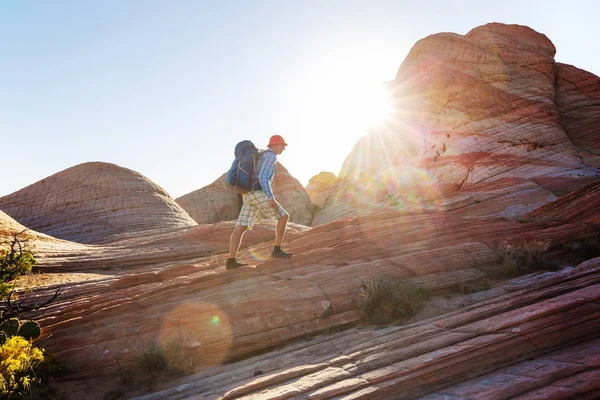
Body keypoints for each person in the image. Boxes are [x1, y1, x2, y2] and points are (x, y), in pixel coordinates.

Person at [226, 135, 294, 269]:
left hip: (248, 194)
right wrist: (270, 197)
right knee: (283, 217)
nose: (283, 149)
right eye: (282, 145)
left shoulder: (261, 155)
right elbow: (263, 177)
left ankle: (231, 261)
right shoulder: (270, 156)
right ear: (274, 145)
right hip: (258, 193)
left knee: (241, 227)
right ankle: (277, 250)